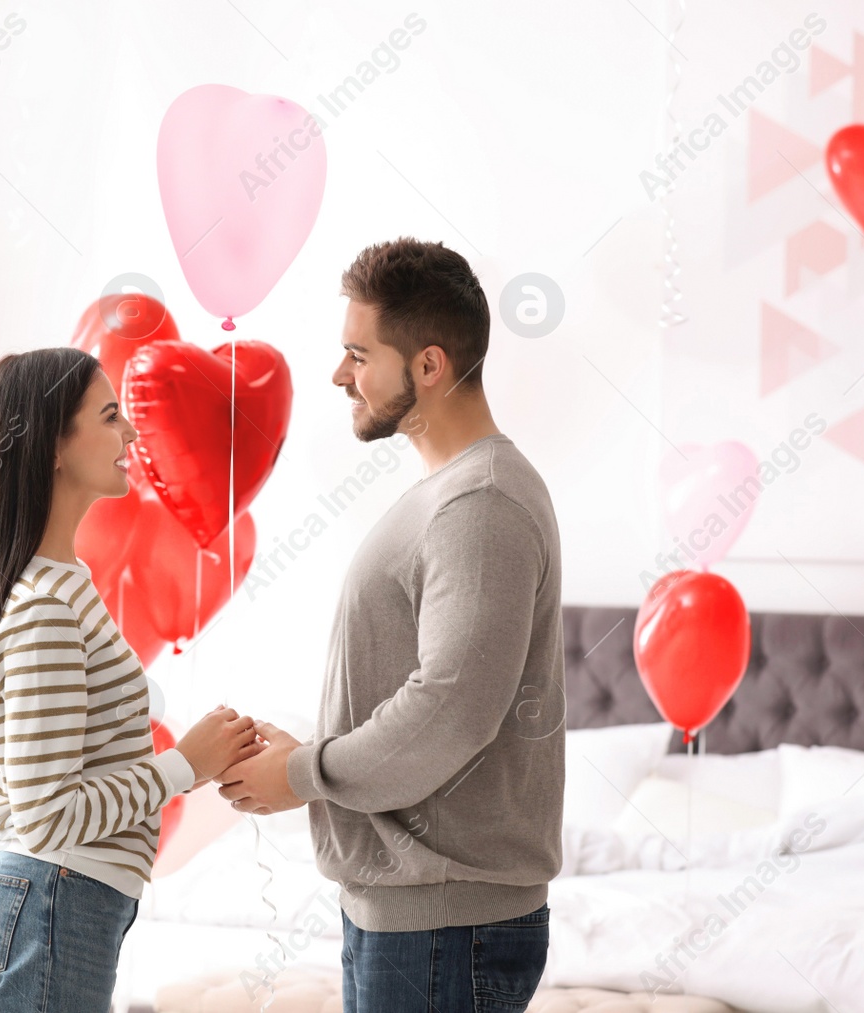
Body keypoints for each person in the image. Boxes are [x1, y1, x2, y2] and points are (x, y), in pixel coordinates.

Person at [217, 238, 566, 1012]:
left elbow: (448, 709)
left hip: (441, 927)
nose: (340, 374)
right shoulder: (452, 494)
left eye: (357, 352)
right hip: (414, 921)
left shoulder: (481, 505)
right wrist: (303, 754)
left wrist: (303, 774)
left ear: (430, 366)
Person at [0, 347, 264, 1013]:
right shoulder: (46, 607)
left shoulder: (60, 586)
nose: (132, 434)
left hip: (53, 903)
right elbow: (46, 813)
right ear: (53, 447)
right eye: (112, 415)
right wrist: (185, 765)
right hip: (52, 903)